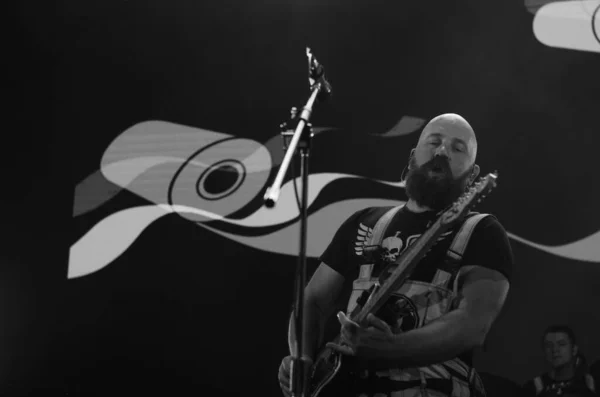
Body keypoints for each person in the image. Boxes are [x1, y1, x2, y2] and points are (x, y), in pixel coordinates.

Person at [278, 113, 514, 397]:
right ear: (414, 155)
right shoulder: (364, 222)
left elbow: (473, 324)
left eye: (457, 148)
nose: (442, 151)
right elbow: (312, 300)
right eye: (435, 141)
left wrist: (390, 350)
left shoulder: (483, 231)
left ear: (474, 175)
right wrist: (302, 358)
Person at [522, 325, 596, 397]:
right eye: (549, 345)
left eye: (561, 344)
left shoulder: (591, 383)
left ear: (574, 350)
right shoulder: (532, 388)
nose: (555, 350)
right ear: (544, 351)